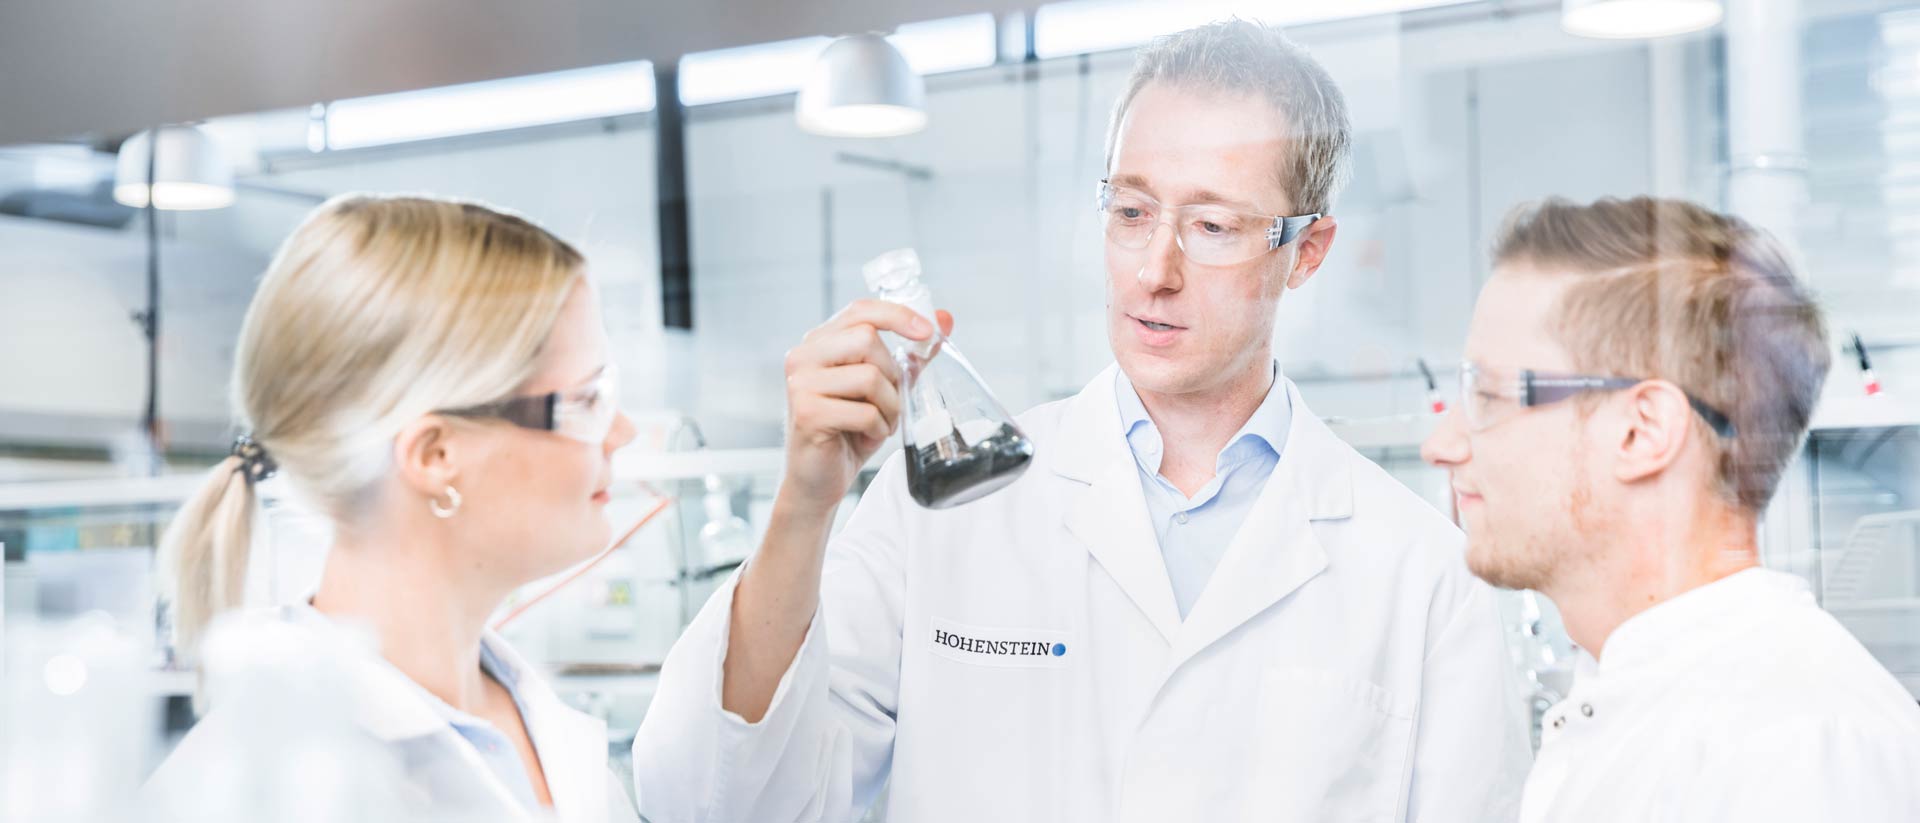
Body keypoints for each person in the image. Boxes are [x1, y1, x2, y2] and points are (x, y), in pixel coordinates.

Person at [634, 20, 1530, 823]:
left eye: (1212, 226)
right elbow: (716, 801)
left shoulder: (1418, 570)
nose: (1154, 269)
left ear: (1307, 252)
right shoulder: (945, 511)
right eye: (1132, 212)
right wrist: (802, 504)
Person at [141, 194, 641, 822]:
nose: (623, 431)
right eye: (588, 400)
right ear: (434, 454)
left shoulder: (539, 730)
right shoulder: (249, 791)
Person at [1421, 196, 1920, 821]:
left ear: (1641, 431)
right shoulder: (1640, 705)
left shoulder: (1794, 751)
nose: (1441, 445)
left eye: (1489, 395)